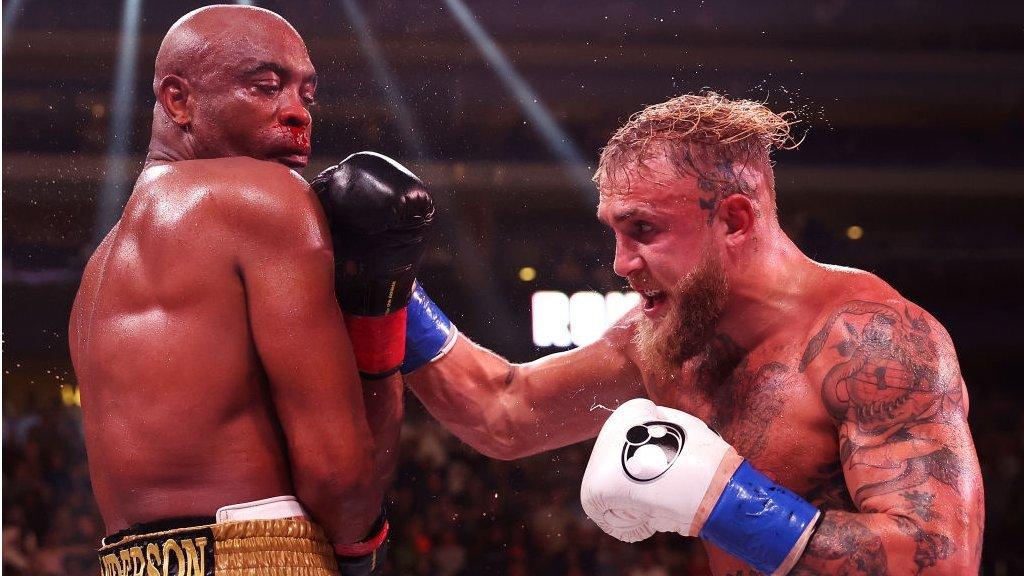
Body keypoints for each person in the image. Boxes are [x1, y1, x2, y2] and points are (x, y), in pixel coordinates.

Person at [397, 92, 984, 574]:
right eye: (616, 233)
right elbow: (504, 409)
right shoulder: (665, 342)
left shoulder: (870, 340)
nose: (621, 263)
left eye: (644, 230)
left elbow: (944, 561)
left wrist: (727, 504)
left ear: (734, 220)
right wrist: (391, 289)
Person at [69, 6, 429, 575]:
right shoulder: (265, 196)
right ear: (178, 99)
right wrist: (378, 311)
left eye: (306, 94)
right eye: (265, 87)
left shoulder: (101, 269)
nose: (295, 112)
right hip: (262, 555)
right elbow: (339, 476)